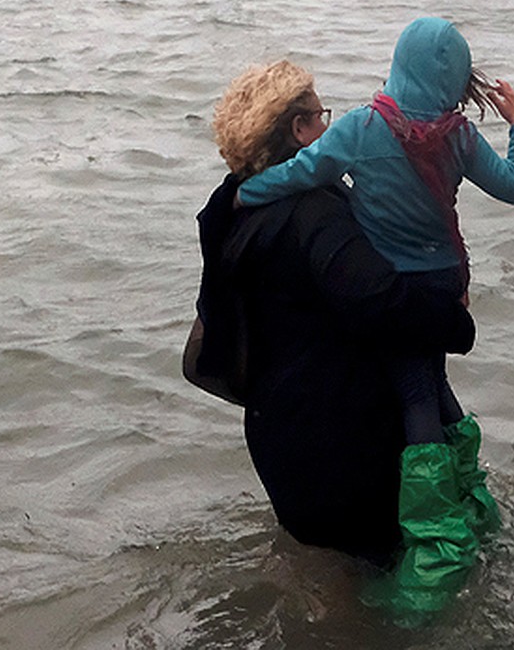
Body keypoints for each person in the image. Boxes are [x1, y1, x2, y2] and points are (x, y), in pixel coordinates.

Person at [236, 17, 514, 618]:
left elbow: (303, 171)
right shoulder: (457, 138)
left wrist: (244, 193)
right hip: (448, 282)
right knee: (437, 384)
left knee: (416, 393)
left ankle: (435, 549)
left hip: (398, 291)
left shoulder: (361, 128)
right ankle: (474, 502)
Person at [187, 60, 476, 570]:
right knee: (379, 583)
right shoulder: (314, 213)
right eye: (320, 116)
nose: (328, 127)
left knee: (319, 579)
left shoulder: (229, 207)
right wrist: (457, 324)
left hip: (276, 436)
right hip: (343, 446)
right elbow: (380, 301)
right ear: (299, 130)